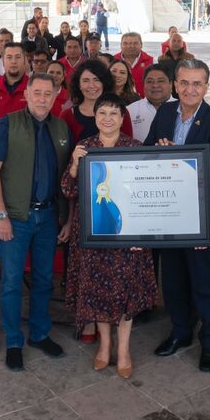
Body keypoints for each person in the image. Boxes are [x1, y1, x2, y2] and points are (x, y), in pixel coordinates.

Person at [62, 94, 157, 378]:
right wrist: (77, 165)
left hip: (126, 231)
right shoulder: (84, 148)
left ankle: (124, 348)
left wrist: (144, 234)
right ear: (95, 116)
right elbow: (68, 190)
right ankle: (104, 346)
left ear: (122, 118)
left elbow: (144, 193)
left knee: (125, 290)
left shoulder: (135, 147)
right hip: (92, 233)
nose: (107, 118)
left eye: (114, 113)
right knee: (99, 290)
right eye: (102, 112)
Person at [0, 73, 74, 371]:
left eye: (48, 94)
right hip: (15, 218)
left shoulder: (61, 128)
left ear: (55, 95)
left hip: (49, 216)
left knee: (44, 280)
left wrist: (67, 217)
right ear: (27, 94)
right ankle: (13, 340)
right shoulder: (8, 124)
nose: (42, 99)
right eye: (37, 93)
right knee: (11, 281)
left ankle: (39, 333)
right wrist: (1, 215)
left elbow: (67, 177)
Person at [145, 60, 210, 372]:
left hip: (198, 217)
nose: (189, 89)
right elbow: (146, 153)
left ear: (206, 87)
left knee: (204, 281)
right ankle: (180, 331)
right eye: (184, 83)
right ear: (175, 84)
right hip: (167, 214)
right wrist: (158, 149)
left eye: (197, 84)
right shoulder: (165, 113)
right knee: (174, 279)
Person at [62, 59, 134, 141]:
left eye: (96, 80)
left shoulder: (121, 112)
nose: (91, 85)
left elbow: (129, 148)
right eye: (86, 80)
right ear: (79, 85)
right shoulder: (67, 116)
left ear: (104, 83)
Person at [127, 65, 175, 141]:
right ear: (143, 85)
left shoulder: (183, 108)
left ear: (171, 84)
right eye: (149, 81)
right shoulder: (129, 111)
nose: (155, 85)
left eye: (160, 81)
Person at [0, 42, 30, 121]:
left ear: (24, 60)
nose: (13, 61)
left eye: (18, 57)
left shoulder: (34, 87)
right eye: (9, 57)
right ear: (3, 60)